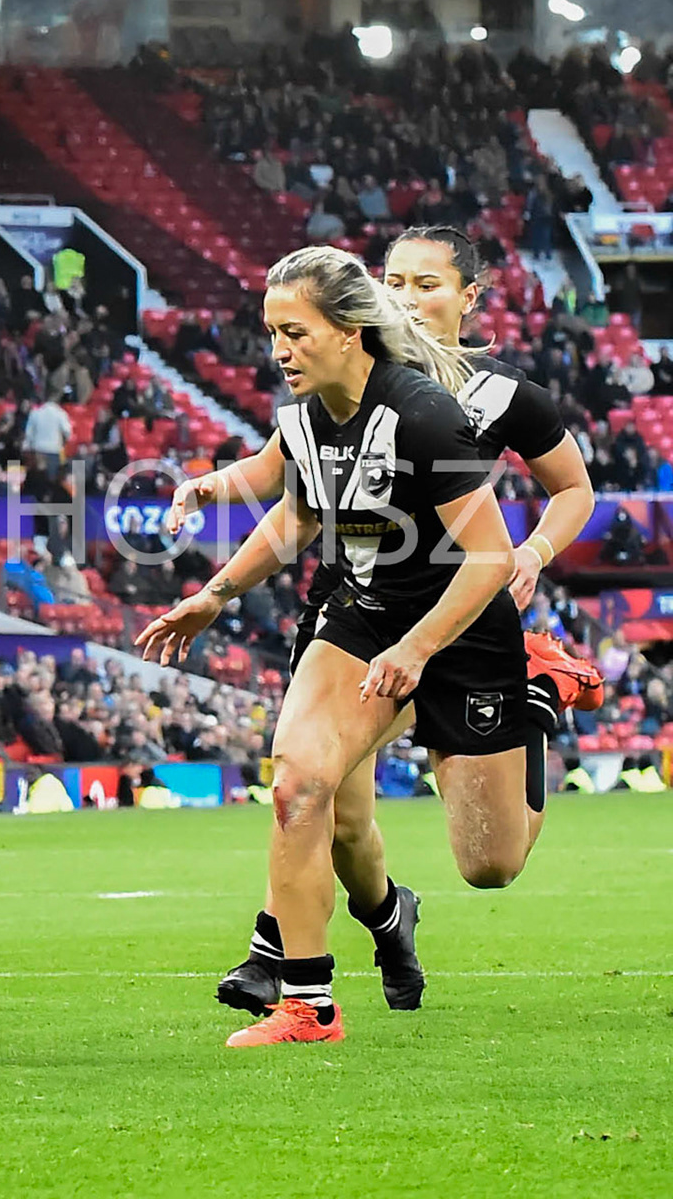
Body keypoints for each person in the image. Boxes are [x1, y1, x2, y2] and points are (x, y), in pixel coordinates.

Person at [167, 229, 601, 1016]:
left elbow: (569, 491)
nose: (407, 297)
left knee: (490, 865)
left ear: (470, 296)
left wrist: (530, 552)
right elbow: (290, 494)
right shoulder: (326, 393)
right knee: (318, 801)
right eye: (393, 280)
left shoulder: (488, 396)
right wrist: (218, 578)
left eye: (427, 283)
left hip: (461, 619)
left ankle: (535, 694)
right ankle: (306, 961)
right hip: (361, 609)